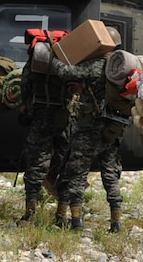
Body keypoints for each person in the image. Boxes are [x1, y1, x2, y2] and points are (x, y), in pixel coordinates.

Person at [53, 25, 130, 233]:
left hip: (90, 129)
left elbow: (65, 71)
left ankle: (76, 220)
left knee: (77, 172)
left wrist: (52, 54)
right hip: (113, 130)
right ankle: (116, 221)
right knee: (111, 175)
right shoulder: (123, 69)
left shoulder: (96, 65)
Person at [18, 36, 74, 223]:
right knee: (64, 165)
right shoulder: (68, 59)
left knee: (36, 165)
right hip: (64, 119)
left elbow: (24, 86)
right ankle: (62, 215)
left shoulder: (34, 62)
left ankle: (30, 213)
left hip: (41, 118)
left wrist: (27, 105)